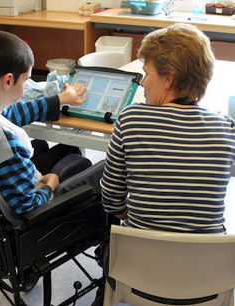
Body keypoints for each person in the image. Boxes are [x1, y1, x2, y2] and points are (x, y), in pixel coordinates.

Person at [100, 23, 235, 233]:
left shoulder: (131, 119)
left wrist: (137, 215)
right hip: (207, 262)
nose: (142, 83)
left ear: (169, 79)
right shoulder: (225, 128)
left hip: (140, 257)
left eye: (146, 74)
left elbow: (111, 200)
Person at [0, 31, 104, 214]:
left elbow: (13, 113)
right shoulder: (4, 144)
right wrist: (50, 186)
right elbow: (26, 206)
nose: (27, 85)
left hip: (14, 186)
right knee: (102, 168)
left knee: (69, 149)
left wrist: (60, 99)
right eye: (27, 79)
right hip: (37, 214)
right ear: (8, 80)